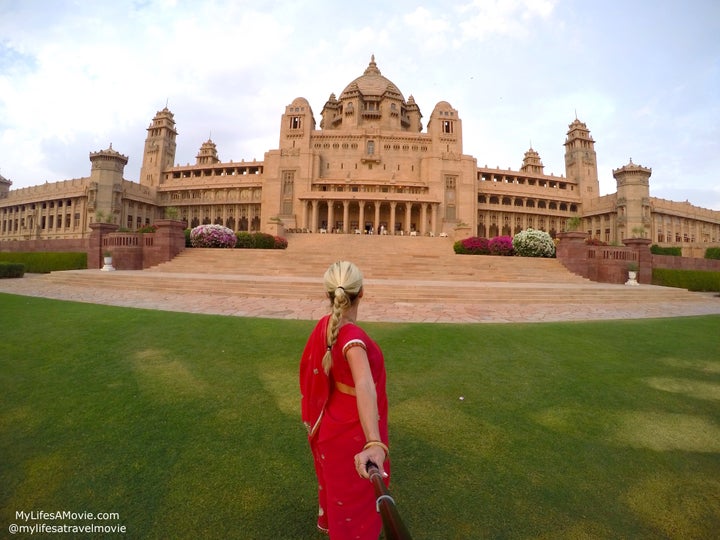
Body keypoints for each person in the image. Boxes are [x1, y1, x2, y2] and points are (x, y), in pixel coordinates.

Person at [300, 261, 390, 539]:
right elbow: (363, 383)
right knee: (358, 506)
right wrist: (373, 441)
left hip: (331, 424)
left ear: (328, 295)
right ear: (361, 293)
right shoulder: (352, 335)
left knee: (343, 503)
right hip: (355, 430)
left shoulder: (326, 325)